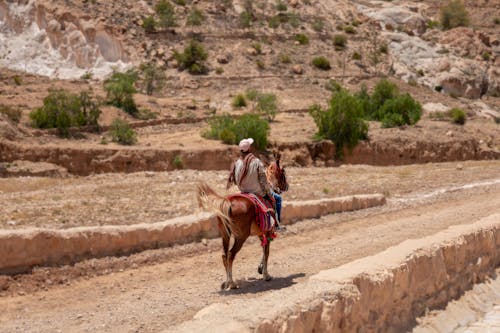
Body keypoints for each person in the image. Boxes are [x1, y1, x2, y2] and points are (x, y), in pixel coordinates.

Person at [227, 138, 284, 230]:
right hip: (256, 192)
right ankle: (277, 224)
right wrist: (268, 191)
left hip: (242, 191)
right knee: (277, 198)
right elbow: (263, 180)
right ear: (249, 149)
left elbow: (235, 180)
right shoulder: (256, 162)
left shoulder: (237, 163)